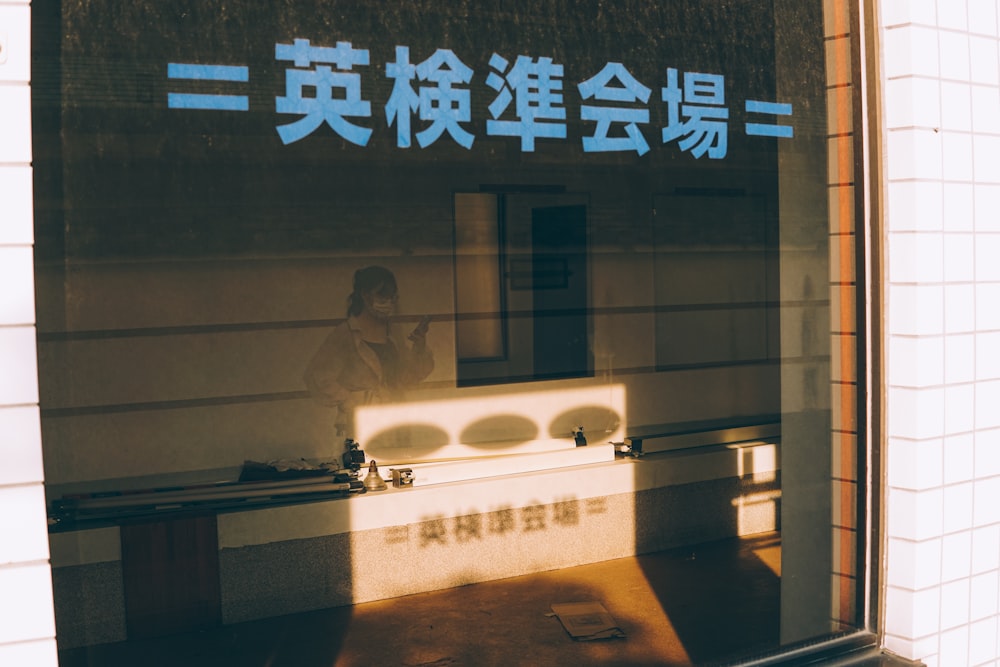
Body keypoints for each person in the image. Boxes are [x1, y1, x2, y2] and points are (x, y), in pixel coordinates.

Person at [304, 266, 434, 438]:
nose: (389, 302)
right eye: (382, 294)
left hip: (396, 421)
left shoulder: (392, 334)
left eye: (393, 296)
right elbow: (318, 376)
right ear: (365, 295)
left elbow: (408, 379)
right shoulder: (346, 334)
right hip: (361, 424)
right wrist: (349, 401)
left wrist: (419, 348)